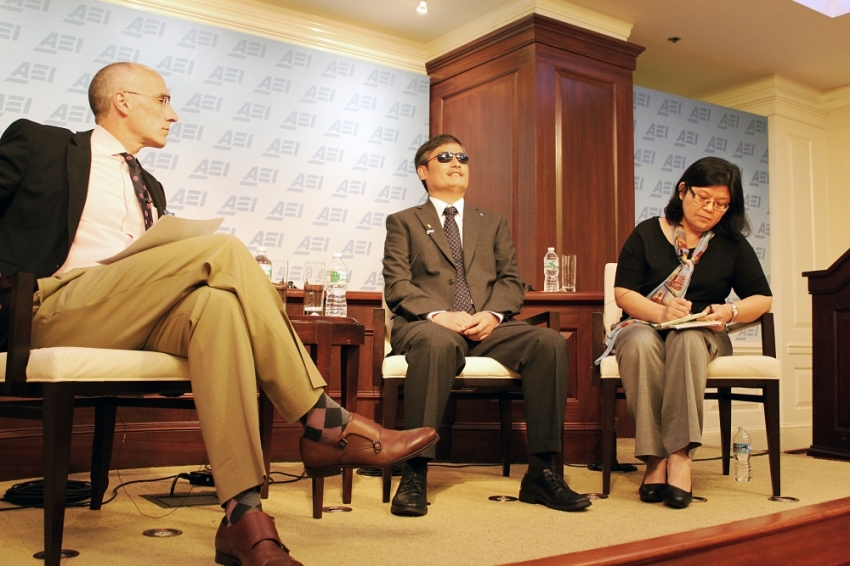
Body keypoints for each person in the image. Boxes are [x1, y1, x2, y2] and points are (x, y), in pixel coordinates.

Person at [0, 62, 439, 566]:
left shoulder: (152, 187)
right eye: (162, 100)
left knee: (218, 305)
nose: (174, 114)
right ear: (123, 100)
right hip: (50, 307)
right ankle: (324, 421)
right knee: (226, 250)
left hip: (128, 313)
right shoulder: (42, 144)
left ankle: (241, 517)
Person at [381, 134, 590, 516]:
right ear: (423, 171)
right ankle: (414, 471)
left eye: (463, 156)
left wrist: (492, 315)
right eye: (445, 157)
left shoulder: (491, 222)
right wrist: (438, 315)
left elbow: (511, 281)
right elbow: (397, 284)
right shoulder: (404, 222)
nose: (457, 162)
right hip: (426, 325)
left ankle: (543, 472)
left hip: (486, 325)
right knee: (437, 342)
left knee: (549, 344)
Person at [611, 156, 772, 509]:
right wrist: (662, 311)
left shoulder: (731, 244)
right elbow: (623, 293)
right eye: (703, 198)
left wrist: (729, 311)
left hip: (703, 333)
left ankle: (681, 456)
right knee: (638, 340)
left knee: (685, 338)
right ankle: (655, 458)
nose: (711, 209)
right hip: (645, 324)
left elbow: (763, 299)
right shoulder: (647, 233)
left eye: (721, 204)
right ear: (683, 190)